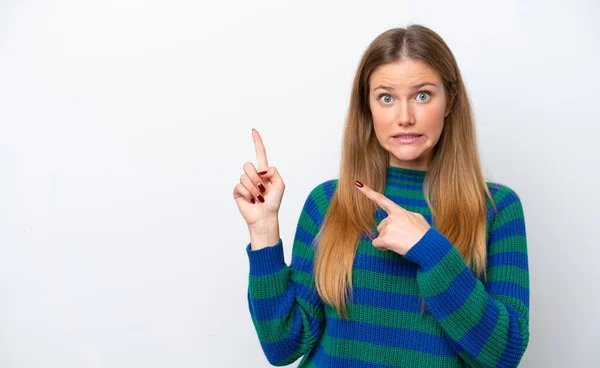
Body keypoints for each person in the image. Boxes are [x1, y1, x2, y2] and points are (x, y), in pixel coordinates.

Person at [233, 24, 529, 368]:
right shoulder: (328, 202)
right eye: (386, 98)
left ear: (451, 101)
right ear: (368, 107)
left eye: (422, 95)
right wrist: (263, 231)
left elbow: (504, 354)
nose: (405, 117)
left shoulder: (497, 209)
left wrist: (432, 251)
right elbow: (283, 347)